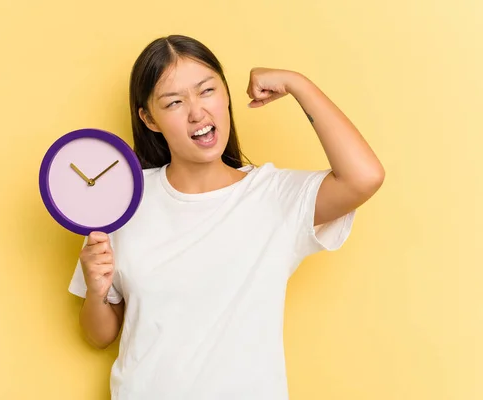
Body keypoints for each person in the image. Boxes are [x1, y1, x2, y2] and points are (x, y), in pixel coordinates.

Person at [68, 34, 384, 400]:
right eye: (173, 102)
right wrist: (96, 291)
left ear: (226, 93)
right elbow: (100, 335)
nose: (197, 112)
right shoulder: (123, 202)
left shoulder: (272, 197)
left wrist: (298, 84)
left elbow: (364, 177)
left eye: (207, 91)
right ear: (149, 118)